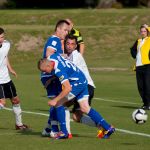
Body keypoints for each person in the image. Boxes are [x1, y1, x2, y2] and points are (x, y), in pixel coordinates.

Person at [38, 53, 115, 139]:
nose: (45, 72)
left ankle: (64, 132)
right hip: (82, 79)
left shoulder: (59, 70)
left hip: (76, 83)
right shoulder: (52, 57)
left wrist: (55, 100)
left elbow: (67, 88)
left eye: (45, 70)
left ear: (49, 65)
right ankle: (108, 128)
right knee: (85, 108)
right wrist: (52, 78)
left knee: (59, 103)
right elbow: (61, 56)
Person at [40, 20, 71, 138]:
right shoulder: (54, 40)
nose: (66, 33)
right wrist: (63, 57)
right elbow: (49, 55)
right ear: (58, 29)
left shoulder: (57, 40)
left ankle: (48, 128)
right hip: (50, 76)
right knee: (57, 102)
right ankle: (53, 130)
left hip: (52, 75)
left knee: (57, 102)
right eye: (65, 30)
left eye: (68, 31)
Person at [64, 35, 98, 127]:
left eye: (72, 44)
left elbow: (68, 72)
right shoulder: (69, 56)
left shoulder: (76, 56)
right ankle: (102, 125)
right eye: (68, 43)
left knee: (60, 104)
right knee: (76, 117)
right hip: (82, 87)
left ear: (75, 46)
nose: (70, 46)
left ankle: (58, 131)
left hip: (85, 86)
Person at [0, 27, 29, 130]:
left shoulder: (7, 44)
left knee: (15, 100)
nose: (1, 39)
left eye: (2, 37)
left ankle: (19, 124)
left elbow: (4, 56)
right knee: (2, 103)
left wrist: (11, 69)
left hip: (6, 79)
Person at [130, 24, 150, 110]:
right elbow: (132, 49)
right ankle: (145, 104)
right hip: (138, 66)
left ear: (147, 32)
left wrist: (147, 26)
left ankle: (149, 103)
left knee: (147, 85)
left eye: (144, 31)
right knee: (140, 86)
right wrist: (135, 55)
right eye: (141, 31)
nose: (143, 33)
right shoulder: (138, 41)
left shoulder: (149, 40)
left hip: (148, 65)